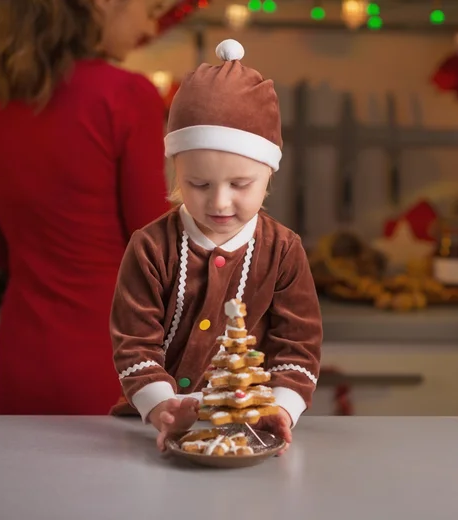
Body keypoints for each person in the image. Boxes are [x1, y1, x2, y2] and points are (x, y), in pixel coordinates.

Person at [110, 39, 323, 452]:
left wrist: (280, 408)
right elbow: (134, 343)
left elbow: (298, 347)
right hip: (152, 429)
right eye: (199, 184)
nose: (220, 202)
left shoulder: (283, 252)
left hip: (251, 430)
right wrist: (161, 406)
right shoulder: (151, 248)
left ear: (268, 174)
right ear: (177, 172)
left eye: (240, 185)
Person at [0, 0, 170, 415]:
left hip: (21, 363)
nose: (150, 24)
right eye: (151, 5)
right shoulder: (128, 96)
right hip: (115, 363)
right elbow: (156, 250)